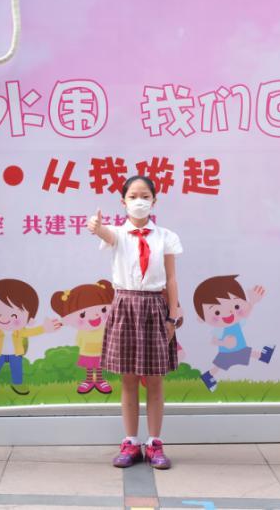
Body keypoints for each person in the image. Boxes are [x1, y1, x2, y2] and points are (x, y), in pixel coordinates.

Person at [87, 175, 182, 470]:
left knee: (154, 379)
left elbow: (171, 278)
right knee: (128, 379)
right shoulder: (117, 233)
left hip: (154, 307)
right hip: (125, 306)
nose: (139, 201)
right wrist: (97, 227)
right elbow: (105, 234)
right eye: (133, 196)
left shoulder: (166, 236)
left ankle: (154, 443)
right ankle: (130, 442)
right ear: (123, 201)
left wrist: (173, 315)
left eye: (145, 196)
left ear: (154, 200)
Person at [193, 276, 266, 391]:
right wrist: (224, 343)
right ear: (201, 317)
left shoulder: (236, 324)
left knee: (250, 353)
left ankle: (264, 356)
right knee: (218, 367)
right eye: (217, 312)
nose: (228, 313)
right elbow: (213, 341)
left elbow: (246, 314)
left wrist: (252, 302)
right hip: (226, 353)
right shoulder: (220, 329)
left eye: (236, 306)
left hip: (240, 349)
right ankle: (207, 376)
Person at [50, 280, 115, 394]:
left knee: (99, 366)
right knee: (89, 366)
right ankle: (89, 380)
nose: (95, 315)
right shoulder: (83, 331)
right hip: (87, 352)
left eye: (103, 310)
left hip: (101, 351)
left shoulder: (104, 328)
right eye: (82, 314)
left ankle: (99, 380)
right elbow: (78, 339)